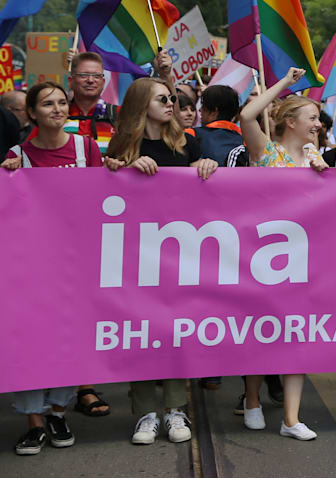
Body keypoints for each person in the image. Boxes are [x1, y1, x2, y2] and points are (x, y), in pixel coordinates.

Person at [103, 77, 217, 445]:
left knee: (174, 331)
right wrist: (124, 167)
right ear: (141, 105)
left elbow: (202, 186)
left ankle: (175, 409)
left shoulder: (186, 142)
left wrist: (206, 165)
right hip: (136, 254)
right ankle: (145, 413)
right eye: (162, 99)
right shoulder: (123, 145)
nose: (171, 104)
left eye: (172, 98)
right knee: (139, 332)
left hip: (179, 251)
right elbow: (104, 183)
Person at [4, 82, 105, 456]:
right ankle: (34, 422)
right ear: (32, 113)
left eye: (62, 102)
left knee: (69, 340)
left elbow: (105, 198)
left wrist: (115, 170)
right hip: (30, 268)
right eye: (48, 104)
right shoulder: (17, 156)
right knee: (29, 342)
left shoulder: (86, 148)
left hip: (76, 266)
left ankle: (58, 412)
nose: (58, 108)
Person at [235, 68, 327, 440]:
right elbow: (246, 115)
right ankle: (252, 400)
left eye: (319, 119)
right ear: (290, 122)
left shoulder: (316, 157)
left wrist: (325, 173)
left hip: (303, 261)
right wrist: (286, 84)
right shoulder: (265, 151)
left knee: (296, 337)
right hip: (262, 259)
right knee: (260, 333)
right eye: (312, 118)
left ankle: (291, 419)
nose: (318, 125)